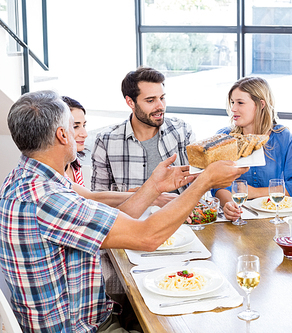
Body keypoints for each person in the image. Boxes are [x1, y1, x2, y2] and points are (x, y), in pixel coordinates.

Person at [0, 90, 247, 332]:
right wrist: (204, 182)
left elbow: (110, 223)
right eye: (73, 127)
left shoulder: (26, 178)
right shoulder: (50, 200)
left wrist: (154, 187)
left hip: (85, 316)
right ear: (63, 135)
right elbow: (146, 236)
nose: (81, 134)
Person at [212, 77, 292, 221]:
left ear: (260, 104)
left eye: (240, 103)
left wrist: (254, 193)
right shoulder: (224, 138)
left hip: (274, 218)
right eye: (232, 102)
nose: (233, 108)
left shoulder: (282, 137)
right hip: (238, 218)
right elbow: (217, 184)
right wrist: (229, 204)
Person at [91, 66, 195, 192]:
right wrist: (134, 198)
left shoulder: (182, 131)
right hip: (130, 212)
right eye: (150, 100)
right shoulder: (106, 141)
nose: (160, 106)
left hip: (181, 211)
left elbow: (198, 183)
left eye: (162, 98)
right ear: (130, 102)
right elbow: (99, 197)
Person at [62, 96, 88, 186]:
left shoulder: (75, 165)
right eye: (75, 127)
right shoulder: (54, 173)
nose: (84, 134)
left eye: (84, 125)